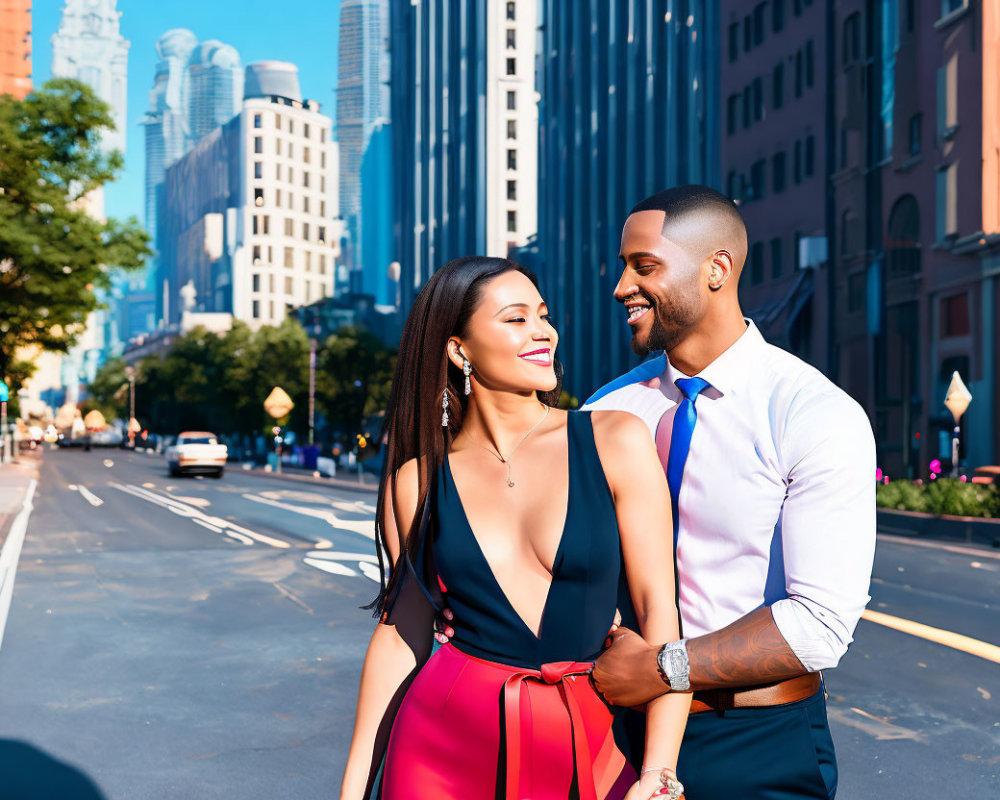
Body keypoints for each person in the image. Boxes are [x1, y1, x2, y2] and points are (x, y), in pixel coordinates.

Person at [338, 257, 691, 800]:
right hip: (439, 749)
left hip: (590, 743)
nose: (543, 331)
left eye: (543, 316)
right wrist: (355, 787)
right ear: (460, 350)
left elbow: (660, 615)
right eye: (516, 319)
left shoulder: (614, 439)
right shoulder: (415, 483)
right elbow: (402, 633)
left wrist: (659, 772)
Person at [584, 186, 877, 799]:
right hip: (609, 732)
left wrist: (664, 669)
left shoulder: (813, 413)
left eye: (644, 267)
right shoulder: (607, 411)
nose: (620, 288)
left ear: (717, 269)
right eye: (622, 267)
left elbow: (821, 624)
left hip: (759, 741)